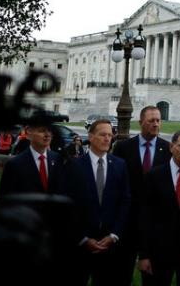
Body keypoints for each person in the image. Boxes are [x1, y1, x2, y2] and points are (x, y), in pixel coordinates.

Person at [62, 119, 131, 286]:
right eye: (103, 135)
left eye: (110, 135)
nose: (107, 138)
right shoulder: (74, 166)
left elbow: (125, 201)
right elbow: (68, 205)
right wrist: (83, 238)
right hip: (80, 246)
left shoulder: (120, 165)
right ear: (91, 137)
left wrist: (114, 234)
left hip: (110, 245)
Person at [111, 106, 172, 286]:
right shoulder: (123, 148)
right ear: (140, 122)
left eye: (158, 120)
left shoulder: (166, 149)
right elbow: (118, 183)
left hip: (154, 223)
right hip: (128, 220)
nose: (156, 124)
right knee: (122, 273)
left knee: (153, 275)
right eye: (151, 120)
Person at [137, 131, 180, 286]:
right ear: (171, 147)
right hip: (158, 252)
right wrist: (144, 255)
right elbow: (145, 216)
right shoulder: (154, 175)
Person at [0, 122, 64, 197]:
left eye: (50, 131)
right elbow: (5, 199)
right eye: (42, 131)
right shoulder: (14, 164)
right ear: (29, 132)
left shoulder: (57, 159)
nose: (47, 135)